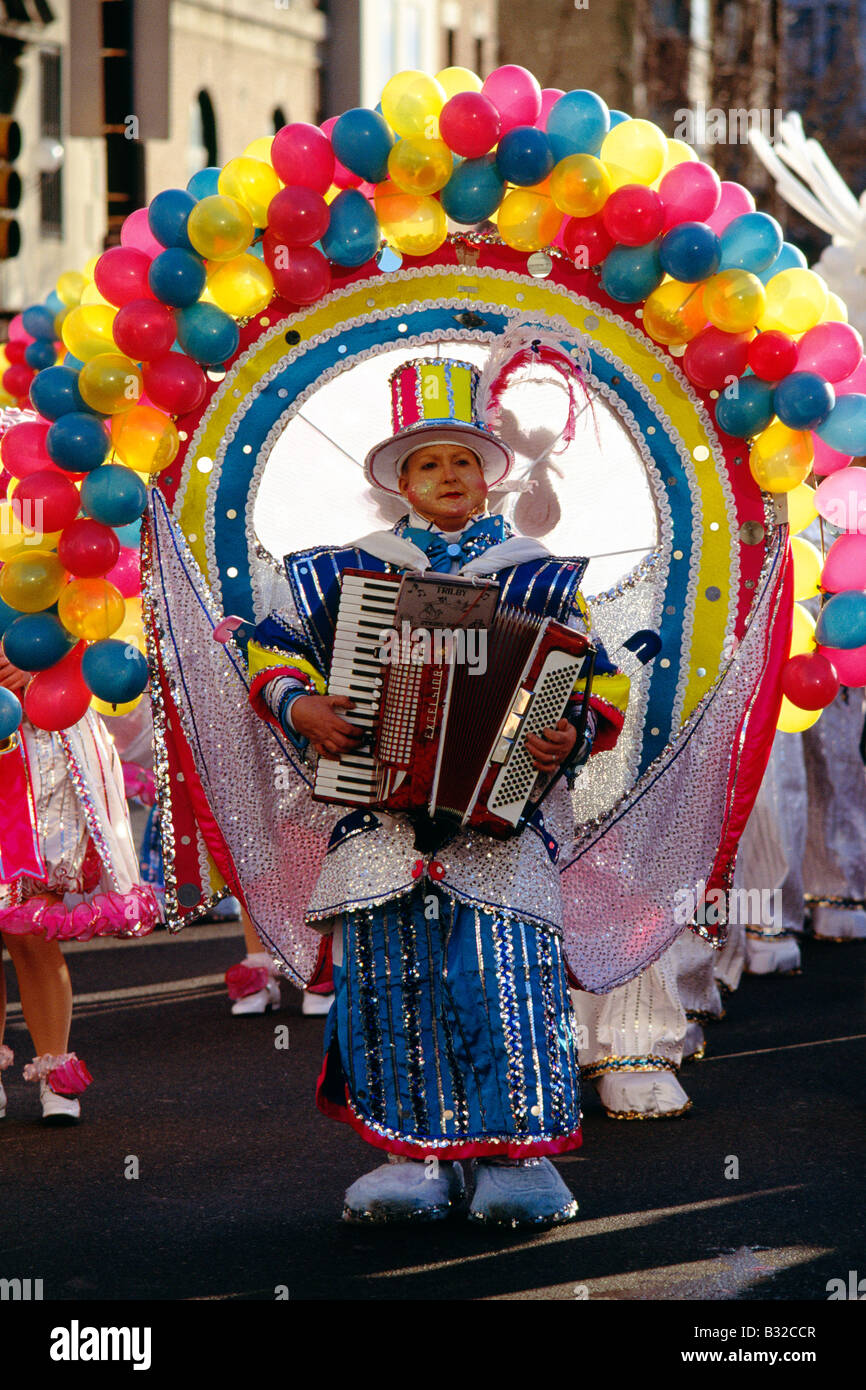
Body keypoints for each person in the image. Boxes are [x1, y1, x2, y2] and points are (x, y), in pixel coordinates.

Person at [246, 356, 629, 1225]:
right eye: (429, 463)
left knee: (504, 980)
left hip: (503, 821)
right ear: (401, 483)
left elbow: (602, 683)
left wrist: (575, 733)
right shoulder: (339, 574)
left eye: (463, 460)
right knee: (389, 983)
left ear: (489, 475)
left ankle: (511, 1160)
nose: (448, 477)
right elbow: (269, 650)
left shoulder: (541, 576)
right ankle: (410, 1158)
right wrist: (302, 705)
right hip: (381, 823)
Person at [0, 651, 160, 1124]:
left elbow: (93, 614)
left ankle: (55, 1070)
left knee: (31, 924)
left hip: (46, 733)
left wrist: (38, 658)